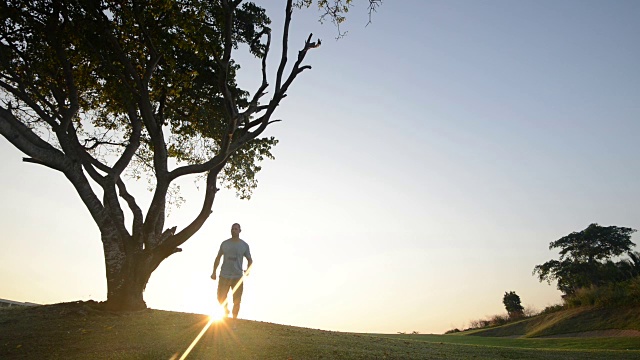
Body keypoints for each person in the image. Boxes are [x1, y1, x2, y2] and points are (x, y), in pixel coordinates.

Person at [211, 223, 253, 320]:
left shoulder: (244, 245)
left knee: (237, 301)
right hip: (224, 275)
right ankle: (225, 309)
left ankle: (234, 319)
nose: (234, 230)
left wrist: (248, 270)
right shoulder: (225, 244)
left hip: (237, 277)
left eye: (236, 229)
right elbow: (218, 258)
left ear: (239, 231)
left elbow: (250, 260)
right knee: (220, 298)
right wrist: (214, 272)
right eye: (232, 229)